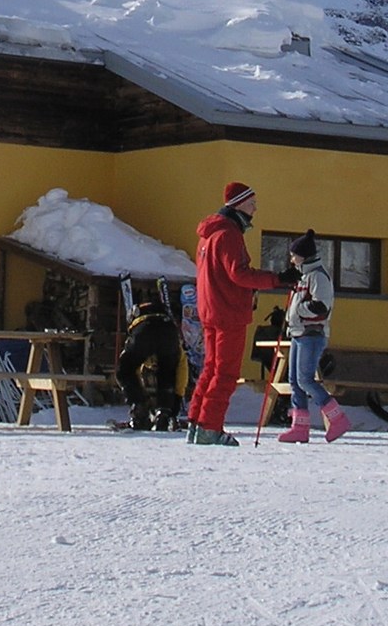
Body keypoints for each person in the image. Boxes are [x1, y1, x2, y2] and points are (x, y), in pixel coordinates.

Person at [185, 181, 289, 446]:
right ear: (239, 204)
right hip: (228, 311)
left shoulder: (209, 235)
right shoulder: (229, 234)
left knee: (211, 369)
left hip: (210, 309)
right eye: (252, 203)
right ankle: (210, 428)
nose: (255, 209)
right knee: (226, 373)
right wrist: (278, 279)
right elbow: (239, 274)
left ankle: (196, 424)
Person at [277, 230, 350, 443]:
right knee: (295, 381)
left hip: (312, 334)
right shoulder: (302, 276)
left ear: (304, 256)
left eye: (294, 255)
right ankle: (299, 426)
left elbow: (321, 306)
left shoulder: (318, 276)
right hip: (298, 333)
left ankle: (337, 418)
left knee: (305, 379)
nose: (291, 259)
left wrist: (299, 310)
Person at [116, 298, 183, 430]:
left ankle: (140, 411)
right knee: (167, 373)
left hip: (144, 331)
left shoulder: (137, 322)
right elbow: (182, 371)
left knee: (124, 370)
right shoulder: (168, 321)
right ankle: (163, 414)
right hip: (169, 333)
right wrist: (175, 405)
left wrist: (136, 394)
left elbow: (129, 366)